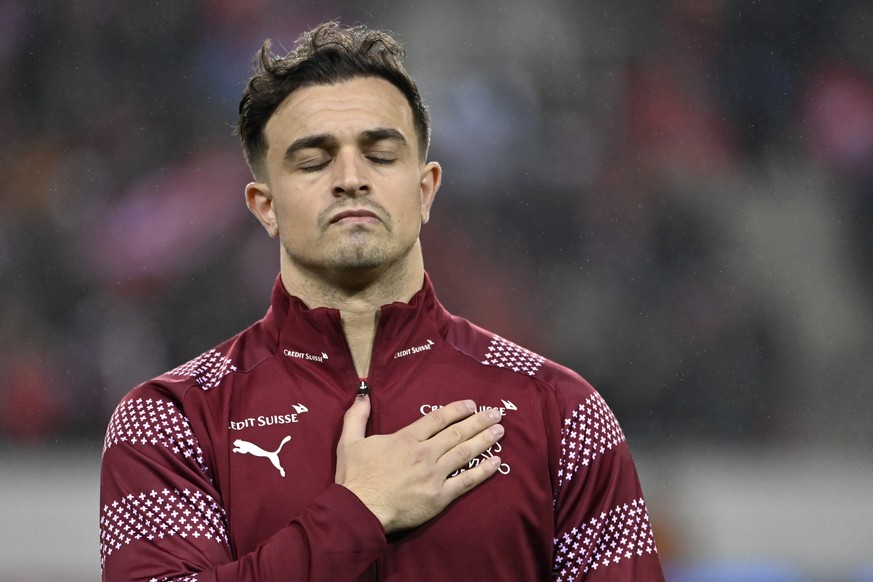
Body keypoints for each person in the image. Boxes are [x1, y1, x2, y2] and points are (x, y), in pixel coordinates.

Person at [99, 22, 665, 581]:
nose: (350, 177)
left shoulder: (562, 412)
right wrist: (357, 512)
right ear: (264, 206)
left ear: (425, 191)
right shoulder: (169, 422)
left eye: (381, 154)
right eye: (314, 160)